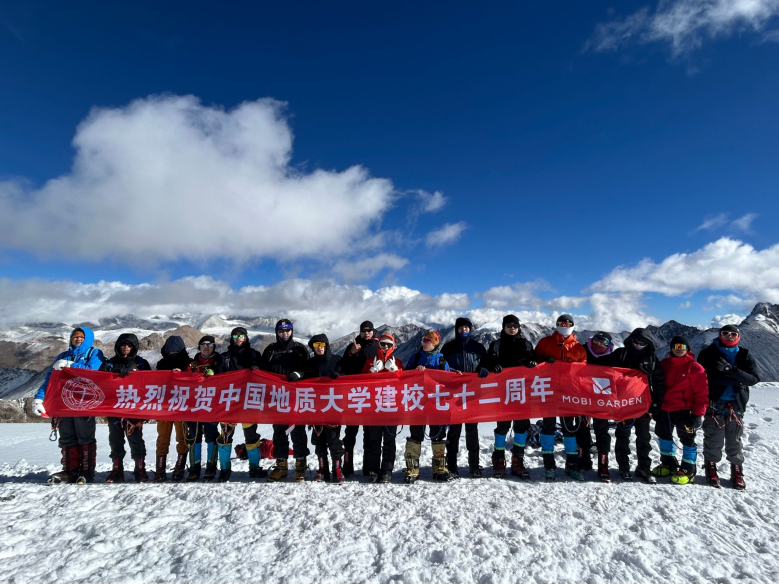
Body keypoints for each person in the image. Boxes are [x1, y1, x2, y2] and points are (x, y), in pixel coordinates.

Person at [33, 327, 105, 484]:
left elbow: (94, 371)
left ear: (88, 339)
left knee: (85, 437)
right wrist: (39, 398)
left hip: (85, 403)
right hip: (64, 403)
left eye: (81, 336)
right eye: (75, 336)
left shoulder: (94, 354)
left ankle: (86, 472)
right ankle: (70, 471)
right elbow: (50, 380)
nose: (78, 339)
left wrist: (71, 366)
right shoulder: (62, 356)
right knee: (67, 438)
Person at [697, 324, 760, 490]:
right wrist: (736, 377)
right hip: (715, 403)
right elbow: (703, 378)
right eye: (725, 333)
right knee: (714, 438)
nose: (729, 336)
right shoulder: (708, 353)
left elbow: (754, 379)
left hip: (736, 404)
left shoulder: (744, 355)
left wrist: (731, 370)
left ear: (738, 336)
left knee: (734, 441)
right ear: (720, 334)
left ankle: (736, 471)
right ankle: (711, 468)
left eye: (733, 334)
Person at [479, 315, 536, 479]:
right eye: (509, 325)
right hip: (503, 393)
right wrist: (490, 366)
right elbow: (486, 362)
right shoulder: (495, 345)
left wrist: (533, 363)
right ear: (503, 327)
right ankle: (498, 459)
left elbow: (536, 362)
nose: (512, 328)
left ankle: (518, 460)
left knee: (521, 427)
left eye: (515, 325)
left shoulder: (526, 344)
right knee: (502, 427)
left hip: (523, 392)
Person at [533, 314, 588, 482]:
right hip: (549, 391)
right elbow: (535, 360)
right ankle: (549, 465)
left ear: (572, 325)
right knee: (548, 428)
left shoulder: (578, 347)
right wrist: (544, 361)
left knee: (569, 429)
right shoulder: (545, 342)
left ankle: (572, 464)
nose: (564, 325)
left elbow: (584, 370)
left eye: (567, 323)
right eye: (561, 323)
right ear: (556, 325)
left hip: (569, 393)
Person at [651, 336, 708, 485]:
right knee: (664, 436)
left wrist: (698, 415)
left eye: (682, 346)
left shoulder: (695, 367)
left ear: (687, 349)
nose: (678, 349)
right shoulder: (664, 364)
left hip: (684, 410)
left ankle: (688, 470)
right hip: (664, 409)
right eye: (675, 346)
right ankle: (669, 464)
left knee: (687, 439)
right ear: (671, 348)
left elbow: (702, 393)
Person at [612, 327, 665, 483]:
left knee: (644, 436)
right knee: (623, 435)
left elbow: (659, 382)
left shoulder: (652, 359)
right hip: (624, 403)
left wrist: (657, 403)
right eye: (636, 342)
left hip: (643, 404)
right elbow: (605, 372)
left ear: (648, 344)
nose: (638, 345)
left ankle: (644, 467)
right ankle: (624, 466)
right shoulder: (620, 354)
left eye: (642, 343)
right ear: (631, 340)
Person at [262, 319, 311, 483]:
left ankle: (301, 465)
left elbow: (309, 370)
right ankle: (281, 465)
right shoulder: (270, 350)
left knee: (298, 432)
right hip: (277, 398)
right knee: (279, 433)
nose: (284, 334)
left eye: (287, 331)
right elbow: (263, 371)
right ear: (277, 332)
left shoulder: (300, 349)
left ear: (292, 331)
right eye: (281, 331)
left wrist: (300, 374)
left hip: (296, 398)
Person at [100, 333, 152, 483]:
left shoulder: (141, 363)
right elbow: (100, 382)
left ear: (134, 347)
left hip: (134, 410)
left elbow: (150, 385)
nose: (126, 347)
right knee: (115, 440)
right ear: (118, 346)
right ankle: (117, 470)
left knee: (136, 440)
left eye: (129, 345)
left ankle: (140, 469)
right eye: (123, 344)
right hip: (114, 408)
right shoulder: (110, 364)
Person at [403, 331, 450, 483]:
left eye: (428, 340)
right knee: (416, 434)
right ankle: (412, 468)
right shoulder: (415, 357)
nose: (424, 342)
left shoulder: (442, 360)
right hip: (417, 402)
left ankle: (439, 468)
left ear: (435, 343)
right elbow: (405, 376)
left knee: (437, 434)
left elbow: (448, 380)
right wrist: (414, 372)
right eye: (424, 340)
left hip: (436, 403)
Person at [441, 317, 486, 477]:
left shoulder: (478, 347)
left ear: (471, 329)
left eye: (466, 327)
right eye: (461, 328)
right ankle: (452, 465)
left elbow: (486, 362)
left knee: (472, 431)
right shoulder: (448, 347)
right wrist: (450, 372)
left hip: (473, 394)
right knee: (454, 430)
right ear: (456, 329)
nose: (464, 330)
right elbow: (441, 366)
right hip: (454, 395)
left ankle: (474, 465)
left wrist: (484, 369)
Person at [217, 326, 261, 482]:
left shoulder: (255, 355)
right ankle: (224, 469)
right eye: (235, 335)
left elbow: (263, 375)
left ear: (246, 337)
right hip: (229, 402)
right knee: (225, 436)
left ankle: (254, 467)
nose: (238, 338)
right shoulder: (224, 357)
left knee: (251, 435)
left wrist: (257, 369)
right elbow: (218, 376)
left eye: (241, 335)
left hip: (248, 402)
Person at [337, 320, 379, 477]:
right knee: (350, 431)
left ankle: (369, 466)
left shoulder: (378, 345)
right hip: (353, 394)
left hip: (371, 395)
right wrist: (352, 353)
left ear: (373, 331)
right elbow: (344, 365)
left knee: (369, 432)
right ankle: (347, 463)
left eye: (369, 330)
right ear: (360, 332)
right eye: (364, 330)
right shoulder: (352, 346)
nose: (366, 333)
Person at [305, 334, 346, 484]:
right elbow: (304, 379)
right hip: (315, 406)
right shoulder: (310, 363)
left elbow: (348, 377)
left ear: (327, 345)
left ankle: (337, 469)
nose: (320, 347)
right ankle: (323, 468)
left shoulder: (337, 360)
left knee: (334, 439)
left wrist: (339, 375)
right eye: (316, 345)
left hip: (332, 406)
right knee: (318, 439)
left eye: (322, 344)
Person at [362, 333, 403, 483]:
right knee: (374, 440)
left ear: (393, 346)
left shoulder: (397, 362)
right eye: (383, 344)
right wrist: (372, 371)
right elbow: (360, 384)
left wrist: (395, 372)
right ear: (378, 345)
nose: (385, 347)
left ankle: (386, 470)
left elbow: (405, 384)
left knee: (389, 441)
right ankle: (373, 470)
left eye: (388, 345)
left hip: (391, 406)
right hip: (374, 407)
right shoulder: (369, 361)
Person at [582, 331, 619, 482]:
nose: (599, 344)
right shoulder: (583, 351)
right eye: (597, 340)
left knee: (601, 430)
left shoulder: (612, 357)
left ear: (608, 345)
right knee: (582, 428)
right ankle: (583, 459)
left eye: (603, 342)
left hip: (602, 399)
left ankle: (603, 464)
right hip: (582, 396)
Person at [184, 335, 222, 481]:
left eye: (209, 345)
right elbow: (184, 381)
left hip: (212, 406)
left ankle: (211, 467)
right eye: (203, 345)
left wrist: (215, 374)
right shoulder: (192, 364)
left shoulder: (220, 361)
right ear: (199, 348)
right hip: (194, 406)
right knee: (194, 436)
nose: (206, 348)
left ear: (214, 346)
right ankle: (194, 468)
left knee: (212, 435)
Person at [152, 336, 189, 482]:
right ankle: (160, 469)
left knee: (182, 438)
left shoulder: (188, 364)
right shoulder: (161, 364)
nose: (172, 355)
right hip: (165, 407)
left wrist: (182, 375)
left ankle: (180, 468)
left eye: (175, 352)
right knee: (162, 438)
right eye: (170, 352)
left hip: (181, 407)